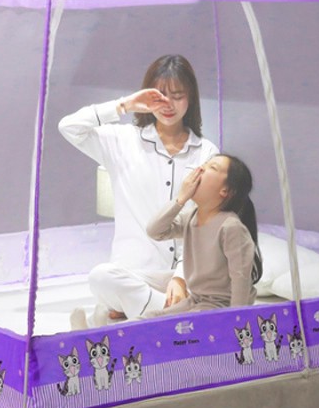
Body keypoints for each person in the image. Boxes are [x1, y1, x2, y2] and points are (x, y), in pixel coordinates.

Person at [59, 55, 218, 326]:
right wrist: (125, 105)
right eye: (161, 96)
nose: (168, 105)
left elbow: (203, 223)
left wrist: (180, 277)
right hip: (132, 275)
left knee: (208, 284)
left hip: (185, 277)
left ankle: (135, 312)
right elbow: (69, 127)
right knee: (100, 277)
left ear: (191, 97)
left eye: (178, 96)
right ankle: (170, 314)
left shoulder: (206, 152)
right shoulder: (122, 141)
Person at [140, 154, 263, 317]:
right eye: (204, 164)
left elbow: (241, 280)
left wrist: (235, 320)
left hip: (220, 307)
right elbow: (154, 230)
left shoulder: (230, 227)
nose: (200, 169)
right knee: (146, 319)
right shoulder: (191, 217)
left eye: (212, 167)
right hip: (195, 301)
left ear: (225, 191)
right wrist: (180, 199)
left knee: (165, 326)